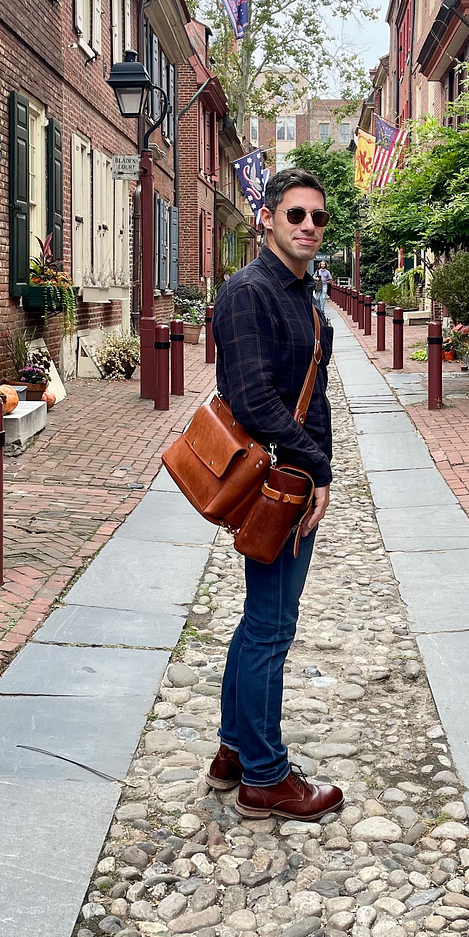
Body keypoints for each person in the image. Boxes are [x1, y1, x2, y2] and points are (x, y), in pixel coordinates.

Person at [205, 167, 344, 821]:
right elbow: (252, 399)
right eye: (296, 215)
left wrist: (318, 466)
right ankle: (266, 774)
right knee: (270, 627)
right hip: (278, 486)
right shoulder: (248, 293)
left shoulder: (300, 292)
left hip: (296, 480)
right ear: (266, 218)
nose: (309, 227)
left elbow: (309, 391)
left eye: (318, 217)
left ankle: (235, 749)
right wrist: (317, 466)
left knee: (263, 620)